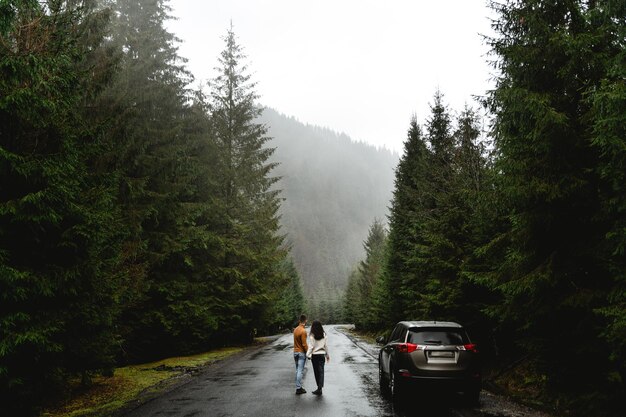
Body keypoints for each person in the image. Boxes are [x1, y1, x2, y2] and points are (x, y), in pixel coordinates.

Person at [306, 320, 330, 396]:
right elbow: (326, 346)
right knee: (321, 372)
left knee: (316, 372)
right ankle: (320, 388)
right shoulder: (324, 334)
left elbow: (311, 346)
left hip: (315, 356)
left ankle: (319, 388)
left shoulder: (312, 335)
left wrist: (308, 355)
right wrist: (327, 355)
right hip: (322, 355)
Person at [293, 314, 308, 395]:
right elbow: (304, 344)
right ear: (305, 321)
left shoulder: (295, 330)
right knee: (300, 371)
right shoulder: (303, 331)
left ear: (299, 321)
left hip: (295, 352)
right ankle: (298, 388)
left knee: (297, 370)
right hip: (301, 353)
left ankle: (299, 386)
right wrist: (308, 353)